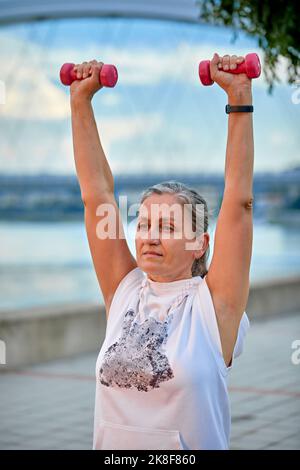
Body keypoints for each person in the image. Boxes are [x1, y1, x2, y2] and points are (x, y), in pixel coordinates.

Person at [69, 53, 253, 450]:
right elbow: (96, 195)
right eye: (147, 224)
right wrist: (80, 101)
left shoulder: (213, 307)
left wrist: (239, 96)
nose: (150, 237)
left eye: (168, 227)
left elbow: (238, 202)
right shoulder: (126, 291)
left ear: (199, 244)